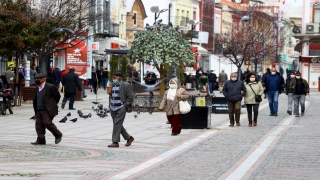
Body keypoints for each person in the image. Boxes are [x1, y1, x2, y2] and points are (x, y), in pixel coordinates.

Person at [31, 73, 62, 145]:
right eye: (36, 79)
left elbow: (57, 96)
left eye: (38, 79)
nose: (36, 80)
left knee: (47, 123)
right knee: (38, 125)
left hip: (47, 109)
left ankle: (58, 134)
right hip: (38, 109)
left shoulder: (50, 87)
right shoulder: (37, 87)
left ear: (43, 79)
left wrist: (52, 104)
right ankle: (41, 140)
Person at [108, 72, 134, 148]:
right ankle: (129, 138)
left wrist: (124, 106)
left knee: (116, 124)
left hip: (121, 107)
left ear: (120, 78)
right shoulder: (112, 85)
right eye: (113, 78)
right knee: (117, 124)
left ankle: (115, 142)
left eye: (115, 78)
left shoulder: (126, 85)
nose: (113, 79)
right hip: (112, 107)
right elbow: (111, 95)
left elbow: (130, 97)